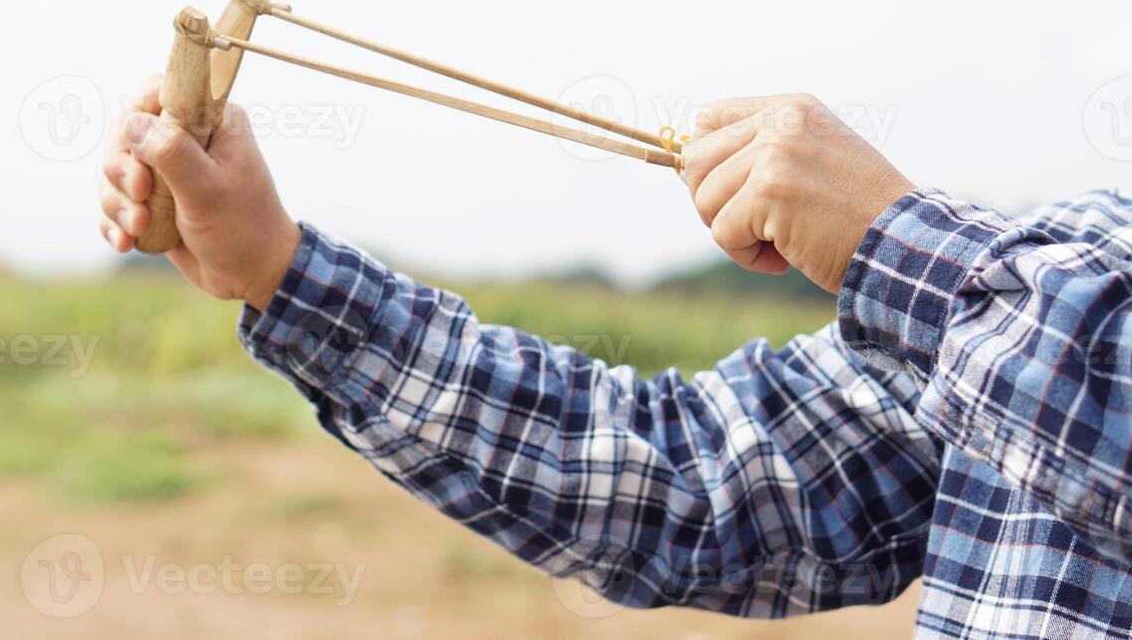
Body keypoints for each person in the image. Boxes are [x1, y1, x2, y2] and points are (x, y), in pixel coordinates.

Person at [98, 84, 1132, 638]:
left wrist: (897, 245)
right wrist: (277, 265)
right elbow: (690, 482)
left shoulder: (993, 285)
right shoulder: (1085, 250)